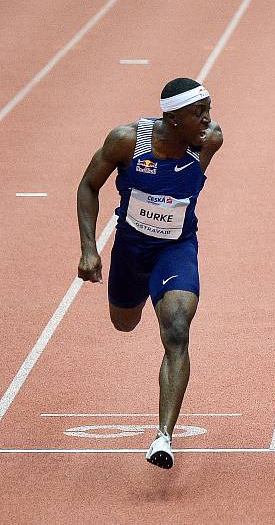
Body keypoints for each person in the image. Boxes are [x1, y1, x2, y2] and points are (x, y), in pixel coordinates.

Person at [77, 78, 223, 469]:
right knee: (124, 323)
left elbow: (205, 140)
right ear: (173, 118)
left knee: (176, 328)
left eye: (209, 110)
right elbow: (88, 186)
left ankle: (163, 437)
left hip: (176, 248)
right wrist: (90, 248)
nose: (208, 120)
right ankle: (134, 297)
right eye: (199, 113)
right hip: (130, 249)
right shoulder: (127, 141)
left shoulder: (209, 141)